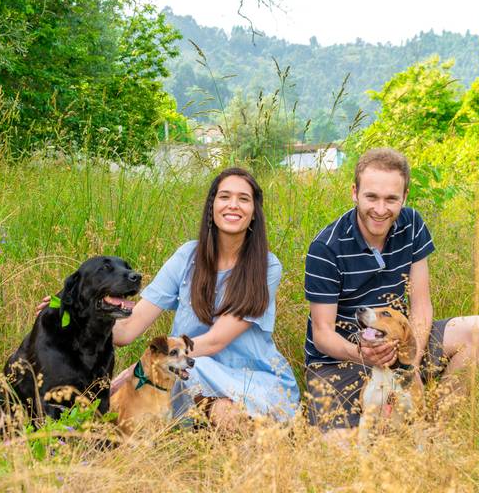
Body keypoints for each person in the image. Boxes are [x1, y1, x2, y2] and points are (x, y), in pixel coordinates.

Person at [41, 167, 299, 429]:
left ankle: (252, 429)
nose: (233, 205)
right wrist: (77, 314)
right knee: (194, 403)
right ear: (212, 206)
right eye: (224, 197)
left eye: (244, 199)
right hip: (184, 378)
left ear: (254, 211)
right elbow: (127, 330)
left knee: (201, 382)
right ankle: (220, 425)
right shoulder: (188, 257)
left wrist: (139, 370)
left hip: (250, 382)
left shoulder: (266, 266)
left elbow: (215, 341)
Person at [303, 147, 479, 437]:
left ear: (404, 197)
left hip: (401, 342)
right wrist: (365, 356)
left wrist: (410, 363)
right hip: (342, 358)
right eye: (371, 197)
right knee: (339, 451)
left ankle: (437, 425)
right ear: (355, 193)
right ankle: (382, 424)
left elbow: (421, 306)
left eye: (391, 199)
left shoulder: (412, 224)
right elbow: (322, 334)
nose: (381, 209)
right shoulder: (325, 248)